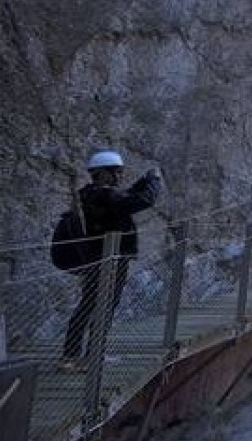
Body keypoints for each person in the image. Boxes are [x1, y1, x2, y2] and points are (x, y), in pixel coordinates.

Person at [59, 150, 162, 372]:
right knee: (101, 306)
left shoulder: (92, 194)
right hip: (110, 259)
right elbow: (142, 201)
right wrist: (153, 181)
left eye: (119, 172)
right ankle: (86, 356)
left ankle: (75, 356)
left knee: (90, 305)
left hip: (102, 257)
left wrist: (142, 181)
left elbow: (125, 197)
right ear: (101, 174)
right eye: (115, 172)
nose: (118, 176)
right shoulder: (104, 195)